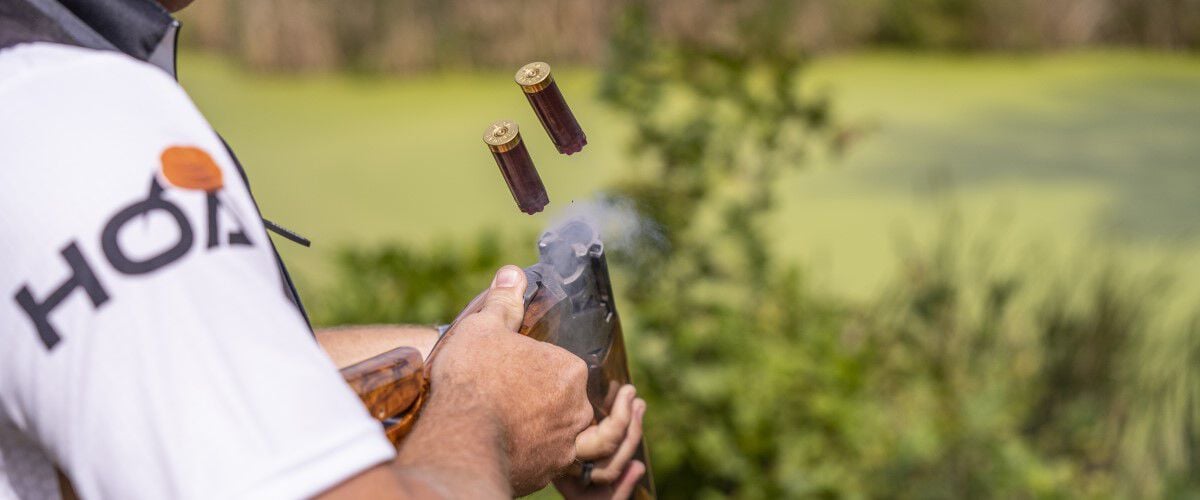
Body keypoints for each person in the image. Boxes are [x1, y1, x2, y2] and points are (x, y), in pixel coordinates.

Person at [0, 0, 646, 498]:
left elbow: (194, 363)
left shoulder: (43, 90)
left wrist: (470, 351)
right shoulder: (81, 125)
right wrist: (487, 419)